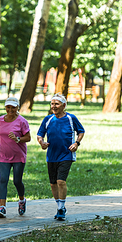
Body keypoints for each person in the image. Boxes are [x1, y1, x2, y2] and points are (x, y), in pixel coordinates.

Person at [37, 93, 85, 221]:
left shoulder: (71, 118)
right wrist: (42, 143)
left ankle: (60, 208)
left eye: (56, 104)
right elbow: (40, 134)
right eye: (52, 104)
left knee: (60, 181)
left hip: (66, 154)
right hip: (51, 155)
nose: (54, 106)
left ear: (64, 105)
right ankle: (60, 207)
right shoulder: (48, 119)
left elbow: (81, 131)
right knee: (53, 184)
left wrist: (76, 143)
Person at [0, 97, 31, 218]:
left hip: (18, 156)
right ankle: (2, 207)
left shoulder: (22, 121)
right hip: (4, 155)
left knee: (17, 181)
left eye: (13, 107)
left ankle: (22, 200)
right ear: (5, 107)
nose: (10, 110)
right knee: (3, 180)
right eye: (8, 107)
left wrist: (18, 139)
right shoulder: (0, 120)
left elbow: (28, 138)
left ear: (17, 107)